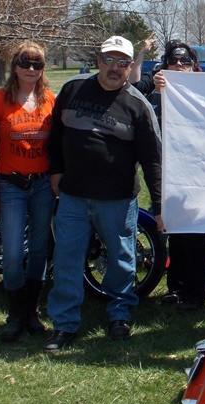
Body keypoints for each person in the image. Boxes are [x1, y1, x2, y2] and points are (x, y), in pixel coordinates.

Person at [45, 35, 163, 351]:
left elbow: (152, 160)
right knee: (66, 259)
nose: (114, 67)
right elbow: (55, 135)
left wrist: (159, 205)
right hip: (73, 195)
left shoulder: (137, 104)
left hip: (118, 199)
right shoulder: (73, 89)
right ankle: (64, 324)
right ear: (98, 61)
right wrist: (56, 170)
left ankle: (120, 314)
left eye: (122, 62)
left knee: (122, 258)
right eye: (109, 60)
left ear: (130, 66)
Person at [0, 41, 56, 342]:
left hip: (42, 185)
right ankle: (15, 313)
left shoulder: (50, 99)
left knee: (39, 249)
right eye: (25, 62)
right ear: (14, 66)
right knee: (12, 253)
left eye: (37, 64)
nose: (31, 68)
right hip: (10, 185)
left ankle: (31, 310)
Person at [151, 42, 205, 312]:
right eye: (173, 61)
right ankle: (175, 287)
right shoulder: (157, 93)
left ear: (194, 67)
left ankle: (195, 294)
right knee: (174, 230)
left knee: (195, 233)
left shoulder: (203, 92)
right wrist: (157, 90)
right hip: (168, 170)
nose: (178, 66)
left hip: (197, 170)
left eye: (185, 62)